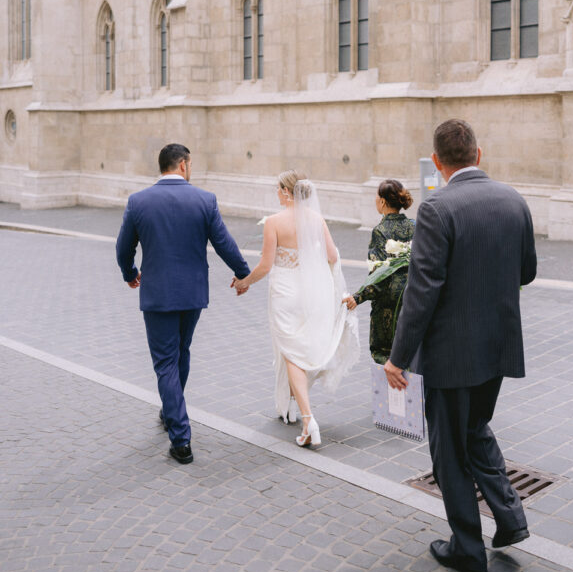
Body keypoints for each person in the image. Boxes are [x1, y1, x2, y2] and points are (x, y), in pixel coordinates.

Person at [384, 119, 537, 572]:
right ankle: (510, 518)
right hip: (498, 346)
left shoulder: (437, 209)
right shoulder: (514, 199)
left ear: (437, 162)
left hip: (452, 356)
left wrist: (396, 357)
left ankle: (468, 550)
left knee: (449, 451)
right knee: (476, 428)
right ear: (479, 153)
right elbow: (526, 272)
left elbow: (422, 291)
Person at [116, 143, 250, 465]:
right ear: (184, 165)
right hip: (191, 295)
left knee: (165, 362)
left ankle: (181, 440)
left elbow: (123, 248)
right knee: (181, 352)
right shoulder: (205, 200)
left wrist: (130, 273)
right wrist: (243, 272)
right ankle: (170, 409)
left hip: (157, 294)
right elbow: (224, 243)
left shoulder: (138, 201)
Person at [233, 170, 359, 447]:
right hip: (311, 293)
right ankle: (298, 411)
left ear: (288, 192)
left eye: (278, 189)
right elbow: (332, 256)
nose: (276, 194)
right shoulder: (316, 219)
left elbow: (265, 266)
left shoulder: (274, 222)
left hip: (285, 293)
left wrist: (245, 282)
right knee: (299, 350)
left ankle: (307, 418)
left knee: (291, 352)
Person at [343, 179, 415, 363]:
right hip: (413, 299)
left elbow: (379, 276)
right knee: (411, 357)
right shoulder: (414, 225)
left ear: (382, 201)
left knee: (388, 359)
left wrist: (357, 298)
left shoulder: (380, 231)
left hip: (389, 306)